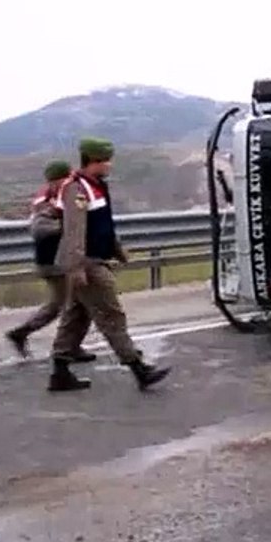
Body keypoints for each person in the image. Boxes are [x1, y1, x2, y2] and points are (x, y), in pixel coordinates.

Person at [47, 137, 171, 392]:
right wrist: (77, 267)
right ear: (93, 161)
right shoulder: (77, 189)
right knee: (111, 315)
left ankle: (59, 373)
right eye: (106, 160)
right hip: (87, 263)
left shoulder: (97, 186)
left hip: (94, 258)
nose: (109, 165)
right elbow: (74, 231)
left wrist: (118, 250)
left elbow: (102, 224)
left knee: (76, 317)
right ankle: (138, 368)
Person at [4, 160, 97, 363]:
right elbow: (39, 229)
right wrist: (66, 228)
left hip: (55, 259)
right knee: (74, 304)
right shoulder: (49, 200)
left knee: (64, 304)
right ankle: (66, 347)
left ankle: (32, 336)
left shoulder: (53, 195)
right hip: (53, 261)